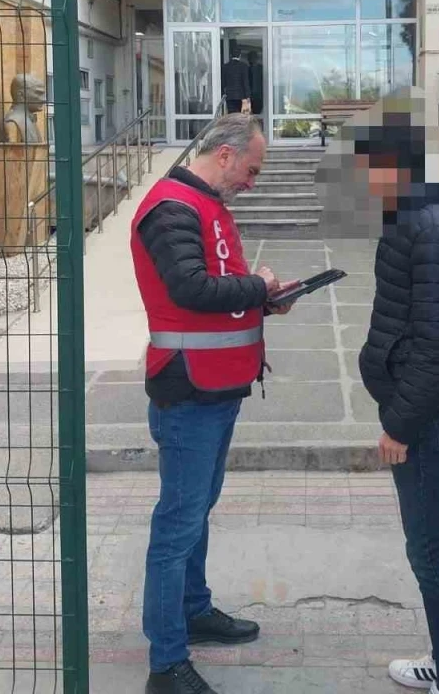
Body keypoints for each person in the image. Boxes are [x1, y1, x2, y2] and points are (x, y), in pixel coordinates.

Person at [130, 112, 291, 694]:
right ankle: (167, 663)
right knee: (178, 524)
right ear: (225, 155)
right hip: (189, 390)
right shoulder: (172, 207)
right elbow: (191, 289)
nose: (252, 181)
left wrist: (265, 301)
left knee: (195, 512)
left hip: (216, 386)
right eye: (252, 169)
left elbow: (220, 288)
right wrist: (259, 287)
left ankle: (192, 610)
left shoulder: (205, 205)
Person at [355, 123, 439, 694]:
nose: (363, 181)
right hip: (422, 411)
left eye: (368, 168)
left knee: (430, 548)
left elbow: (438, 345)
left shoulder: (430, 229)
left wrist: (400, 424)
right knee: (436, 539)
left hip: (423, 419)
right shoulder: (418, 219)